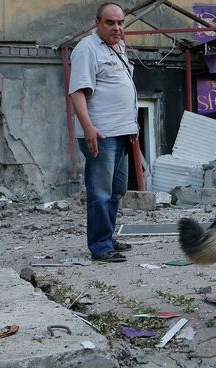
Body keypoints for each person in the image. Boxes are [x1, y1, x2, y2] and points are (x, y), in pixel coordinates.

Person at [69, 2, 138, 262]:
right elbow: (77, 92)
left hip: (121, 133)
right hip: (100, 134)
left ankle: (107, 237)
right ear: (97, 23)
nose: (117, 27)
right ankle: (100, 247)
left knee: (117, 189)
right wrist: (88, 128)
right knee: (100, 192)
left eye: (120, 22)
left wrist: (133, 127)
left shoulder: (118, 48)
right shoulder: (87, 49)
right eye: (110, 22)